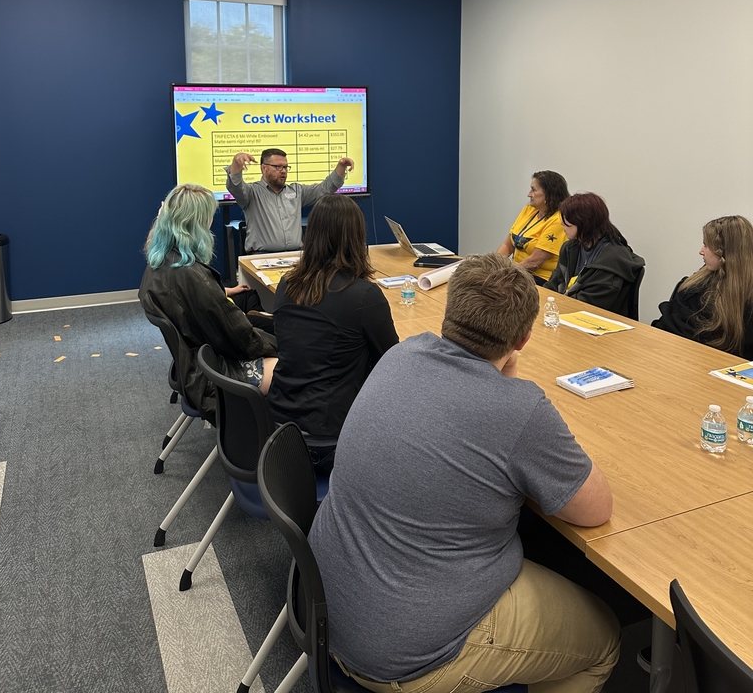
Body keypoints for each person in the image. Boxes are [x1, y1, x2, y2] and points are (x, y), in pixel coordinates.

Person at [310, 253, 620, 693]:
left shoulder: (402, 353)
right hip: (404, 653)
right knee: (604, 639)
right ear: (525, 338)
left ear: (449, 310)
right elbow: (596, 509)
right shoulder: (520, 410)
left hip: (325, 603)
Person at [267, 195, 398, 473]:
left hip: (279, 428)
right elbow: (392, 363)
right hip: (329, 443)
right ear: (356, 239)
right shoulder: (364, 296)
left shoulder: (286, 284)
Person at [138, 184, 278, 419]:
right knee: (297, 364)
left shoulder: (160, 262)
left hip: (194, 369)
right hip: (215, 376)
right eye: (208, 217)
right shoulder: (192, 275)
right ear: (196, 224)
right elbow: (243, 338)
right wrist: (283, 343)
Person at [652, 215, 753, 356]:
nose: (701, 251)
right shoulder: (695, 285)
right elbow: (667, 325)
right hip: (675, 355)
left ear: (726, 252)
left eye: (707, 246)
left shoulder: (746, 302)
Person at [224, 147, 355, 253]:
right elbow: (235, 186)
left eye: (285, 167)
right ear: (264, 168)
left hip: (295, 256)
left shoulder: (297, 192)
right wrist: (236, 164)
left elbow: (325, 189)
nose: (283, 171)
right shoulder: (251, 193)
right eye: (278, 167)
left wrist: (341, 167)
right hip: (262, 258)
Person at [544, 192, 645, 315]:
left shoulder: (612, 260)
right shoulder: (570, 248)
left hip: (594, 321)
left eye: (567, 223)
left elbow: (590, 306)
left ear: (584, 224)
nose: (562, 225)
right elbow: (553, 285)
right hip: (564, 312)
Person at [496, 170, 569, 284]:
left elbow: (534, 262)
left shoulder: (558, 220)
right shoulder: (529, 210)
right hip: (517, 272)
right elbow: (507, 245)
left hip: (539, 279)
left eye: (533, 190)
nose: (529, 194)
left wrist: (503, 274)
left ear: (548, 194)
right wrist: (492, 265)